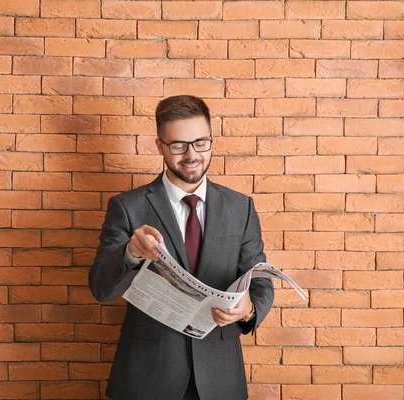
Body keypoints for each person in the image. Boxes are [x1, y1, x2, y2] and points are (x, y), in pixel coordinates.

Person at [89, 95, 274, 400]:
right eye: (178, 145)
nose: (191, 155)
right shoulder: (127, 207)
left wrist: (248, 309)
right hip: (148, 375)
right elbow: (100, 288)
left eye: (201, 142)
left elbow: (260, 279)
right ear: (160, 145)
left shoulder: (241, 207)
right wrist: (131, 253)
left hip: (220, 376)